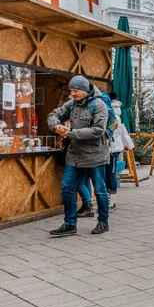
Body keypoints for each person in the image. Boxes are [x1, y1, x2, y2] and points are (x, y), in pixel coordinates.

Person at [47, 75, 111, 236]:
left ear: (83, 90)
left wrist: (71, 133)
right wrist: (56, 127)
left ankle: (103, 222)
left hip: (96, 155)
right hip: (75, 155)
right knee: (67, 187)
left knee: (100, 191)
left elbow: (98, 130)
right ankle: (70, 223)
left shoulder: (99, 105)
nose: (72, 94)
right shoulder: (72, 104)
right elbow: (53, 115)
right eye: (71, 91)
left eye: (75, 91)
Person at [107, 92, 125, 211]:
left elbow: (112, 132)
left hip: (111, 148)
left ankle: (111, 202)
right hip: (115, 147)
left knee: (109, 174)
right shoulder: (117, 113)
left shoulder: (110, 113)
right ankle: (111, 201)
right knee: (110, 174)